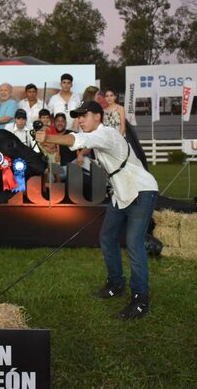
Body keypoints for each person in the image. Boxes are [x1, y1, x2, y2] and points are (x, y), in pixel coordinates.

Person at [35, 101, 158, 320]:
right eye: (78, 116)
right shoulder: (99, 140)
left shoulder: (107, 134)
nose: (80, 119)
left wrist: (49, 137)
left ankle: (141, 300)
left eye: (84, 115)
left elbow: (77, 140)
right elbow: (80, 149)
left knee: (134, 242)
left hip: (142, 191)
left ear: (98, 117)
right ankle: (116, 284)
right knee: (107, 237)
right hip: (121, 194)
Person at [53, 113, 75, 181]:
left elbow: (86, 145)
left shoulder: (71, 134)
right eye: (57, 121)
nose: (60, 123)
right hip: (55, 169)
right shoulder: (50, 135)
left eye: (62, 121)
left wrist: (81, 154)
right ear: (54, 123)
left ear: (66, 123)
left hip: (71, 168)